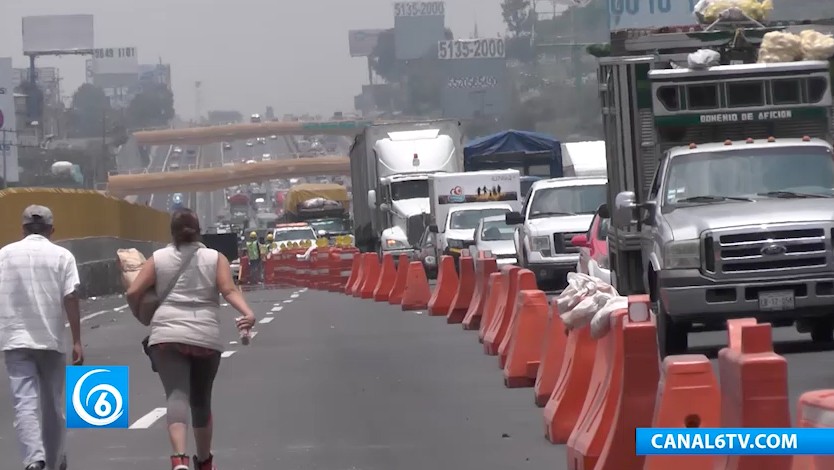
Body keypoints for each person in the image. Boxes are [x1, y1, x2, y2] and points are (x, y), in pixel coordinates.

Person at [126, 208, 256, 470]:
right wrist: (247, 313)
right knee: (200, 400)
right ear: (198, 231)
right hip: (205, 337)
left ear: (172, 232)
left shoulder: (159, 258)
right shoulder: (214, 257)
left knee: (176, 395)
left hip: (166, 336)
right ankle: (205, 461)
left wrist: (141, 314)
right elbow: (228, 289)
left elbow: (133, 290)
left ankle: (179, 460)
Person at [0, 205, 82, 470]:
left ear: (22, 229)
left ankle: (34, 459)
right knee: (52, 406)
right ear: (52, 230)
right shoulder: (63, 256)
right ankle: (55, 460)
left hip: (14, 339)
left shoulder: (4, 255)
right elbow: (71, 296)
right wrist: (77, 340)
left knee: (25, 402)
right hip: (51, 339)